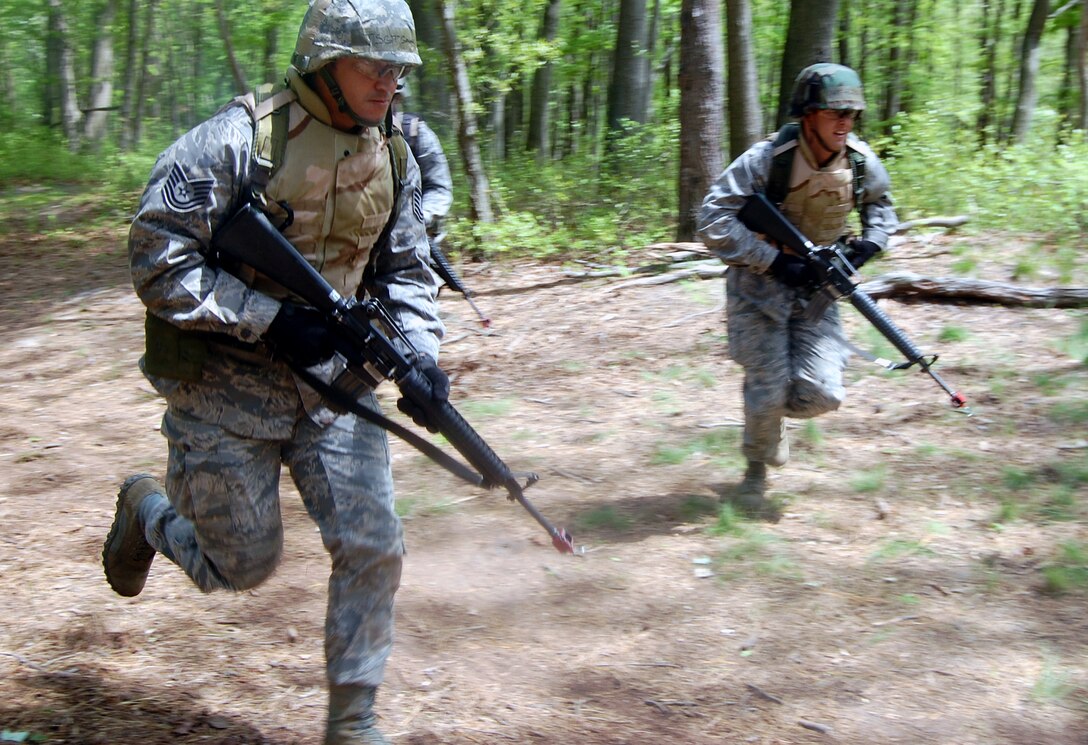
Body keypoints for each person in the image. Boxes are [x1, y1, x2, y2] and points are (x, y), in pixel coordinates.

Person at [101, 1, 447, 743]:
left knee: (375, 543)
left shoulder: (394, 155)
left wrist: (418, 357)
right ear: (326, 61)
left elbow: (410, 270)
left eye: (399, 70)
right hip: (227, 392)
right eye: (373, 65)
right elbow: (155, 256)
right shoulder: (235, 143)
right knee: (237, 567)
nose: (390, 82)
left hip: (334, 387)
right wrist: (266, 315)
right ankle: (146, 510)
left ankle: (353, 718)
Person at [696, 63, 898, 522]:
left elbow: (882, 211)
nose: (845, 123)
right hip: (758, 288)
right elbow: (711, 218)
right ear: (808, 115)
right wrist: (774, 260)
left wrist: (867, 246)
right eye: (835, 113)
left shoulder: (860, 161)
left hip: (817, 292)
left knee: (825, 393)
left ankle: (766, 418)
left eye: (852, 115)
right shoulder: (767, 159)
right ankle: (756, 469)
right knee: (767, 391)